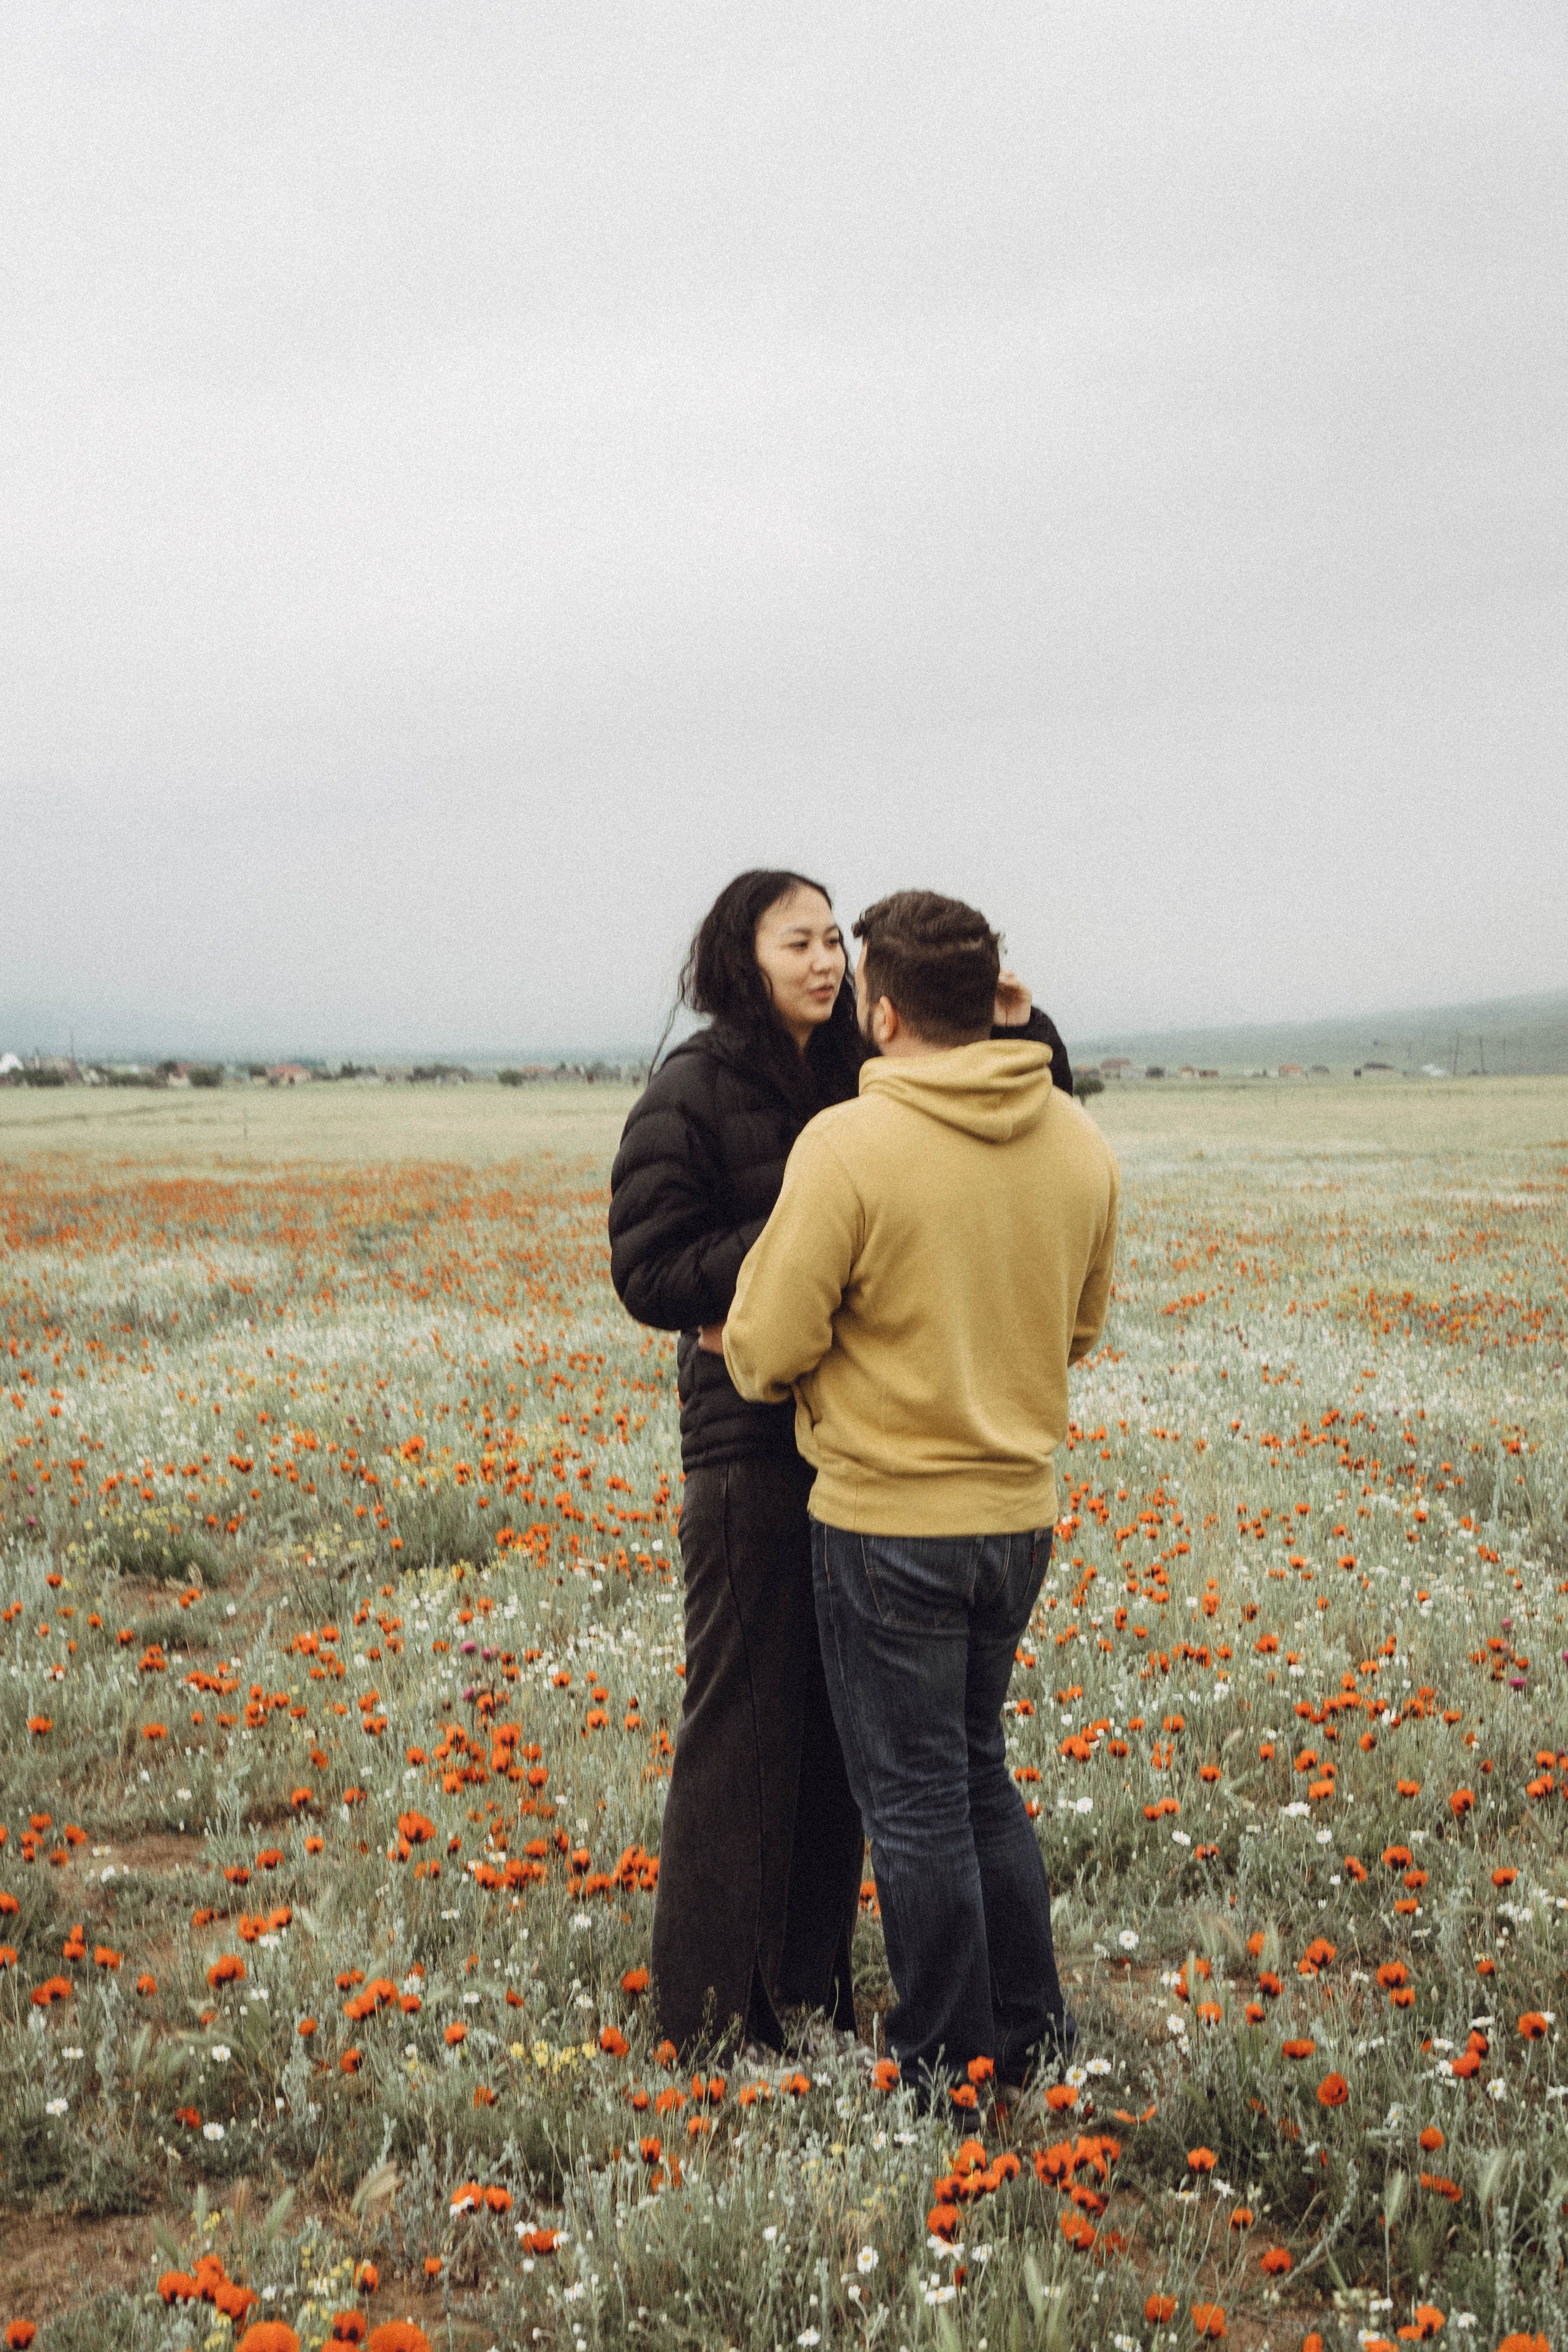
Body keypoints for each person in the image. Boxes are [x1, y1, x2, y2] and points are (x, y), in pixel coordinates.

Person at [608, 870, 1075, 2056]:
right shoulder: (695, 1087)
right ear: (738, 957)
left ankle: (807, 1988)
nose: (822, 962)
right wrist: (782, 1280)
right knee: (741, 1726)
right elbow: (648, 1268)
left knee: (838, 1746)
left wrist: (1015, 1018)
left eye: (833, 943)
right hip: (747, 1437)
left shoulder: (850, 1082)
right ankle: (713, 2013)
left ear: (879, 1003)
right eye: (796, 942)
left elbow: (1001, 1116)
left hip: (853, 1444)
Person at [722, 889, 1118, 2097]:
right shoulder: (1076, 1144)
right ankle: (1027, 2027)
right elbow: (1080, 1329)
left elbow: (761, 1346)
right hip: (1016, 1516)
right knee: (975, 1770)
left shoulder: (849, 1145)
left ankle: (949, 2059)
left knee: (911, 1805)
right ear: (990, 998)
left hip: (886, 1518)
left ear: (882, 1013)